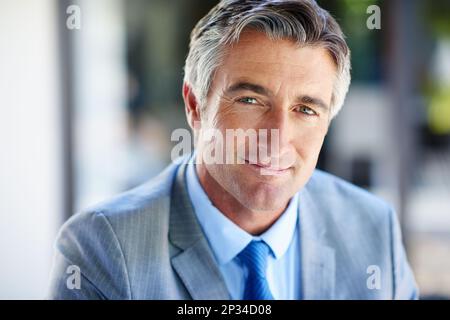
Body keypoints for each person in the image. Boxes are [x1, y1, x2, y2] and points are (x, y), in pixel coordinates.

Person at [48, 0, 419, 299]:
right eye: (250, 100)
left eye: (306, 109)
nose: (277, 136)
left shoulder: (373, 228)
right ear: (195, 106)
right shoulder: (102, 250)